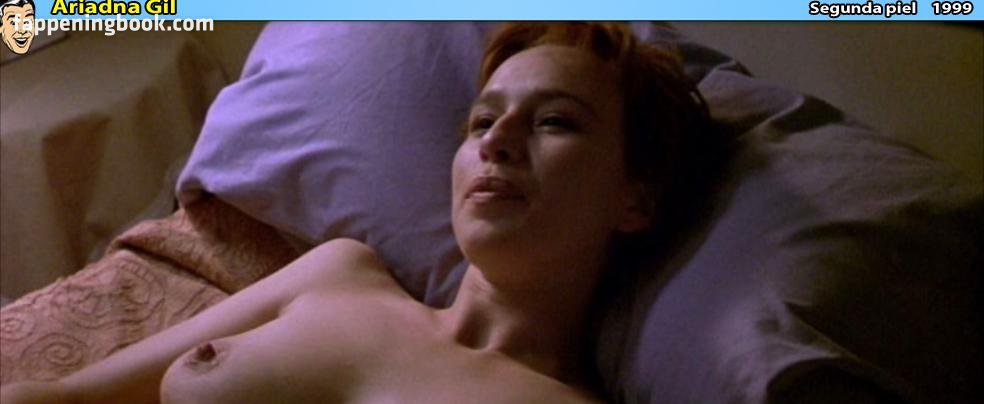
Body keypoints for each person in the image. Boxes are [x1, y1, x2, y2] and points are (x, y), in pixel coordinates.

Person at [0, 22, 712, 403]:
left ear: (635, 198)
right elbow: (66, 397)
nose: (496, 141)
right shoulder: (339, 274)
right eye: (480, 121)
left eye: (555, 121)